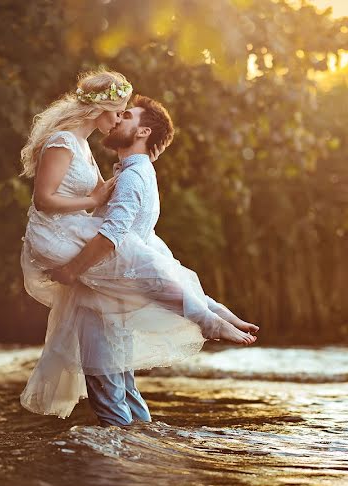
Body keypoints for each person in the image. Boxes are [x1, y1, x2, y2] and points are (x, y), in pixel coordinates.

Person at [18, 69, 258, 424]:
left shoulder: (123, 169)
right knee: (150, 263)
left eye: (125, 115)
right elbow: (53, 200)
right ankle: (211, 315)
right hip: (61, 236)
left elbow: (116, 232)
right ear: (101, 107)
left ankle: (211, 317)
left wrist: (72, 268)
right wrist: (93, 197)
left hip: (89, 264)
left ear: (142, 131)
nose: (117, 119)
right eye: (119, 111)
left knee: (151, 263)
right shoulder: (93, 153)